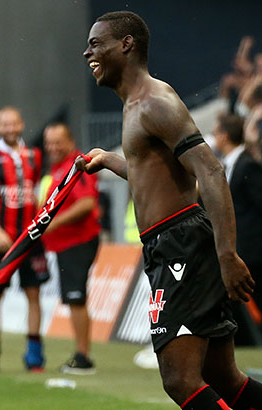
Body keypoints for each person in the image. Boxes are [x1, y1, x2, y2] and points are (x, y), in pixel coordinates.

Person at [80, 11, 262, 408]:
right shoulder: (135, 105)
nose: (87, 53)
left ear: (125, 44)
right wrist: (109, 160)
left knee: (180, 380)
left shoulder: (154, 102)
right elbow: (153, 177)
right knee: (223, 377)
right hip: (173, 244)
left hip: (181, 246)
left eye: (95, 44)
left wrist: (227, 255)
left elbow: (210, 171)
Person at [0, 106, 48, 372]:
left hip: (30, 239)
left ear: (21, 124)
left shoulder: (35, 155)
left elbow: (38, 193)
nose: (10, 128)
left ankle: (34, 357)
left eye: (14, 123)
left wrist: (38, 225)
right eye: (5, 124)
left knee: (34, 293)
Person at [41, 122, 100, 374]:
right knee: (73, 298)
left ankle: (83, 357)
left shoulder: (78, 165)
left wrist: (52, 223)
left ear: (70, 141)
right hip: (66, 243)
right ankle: (81, 354)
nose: (52, 147)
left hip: (78, 241)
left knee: (76, 298)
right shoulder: (58, 168)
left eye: (58, 142)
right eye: (49, 142)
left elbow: (86, 204)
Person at [214, 113, 262, 312]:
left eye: (215, 133)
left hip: (255, 249)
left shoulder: (247, 164)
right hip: (243, 250)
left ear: (224, 136)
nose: (214, 138)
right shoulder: (228, 165)